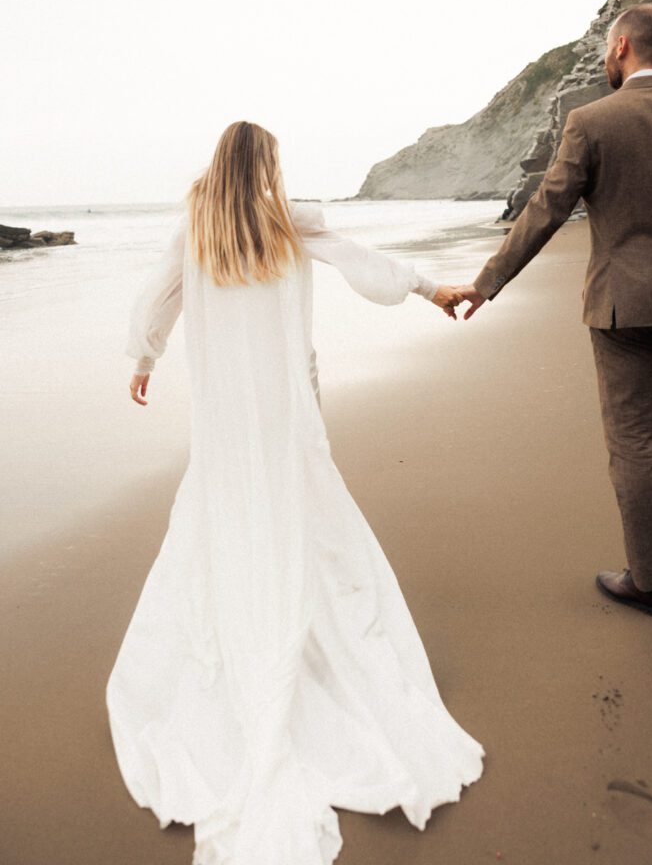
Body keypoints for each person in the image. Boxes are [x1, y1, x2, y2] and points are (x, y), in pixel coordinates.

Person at [107, 121, 483, 865]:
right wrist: (431, 288)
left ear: (217, 165)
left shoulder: (197, 228)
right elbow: (365, 267)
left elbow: (159, 296)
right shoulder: (290, 221)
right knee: (309, 526)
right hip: (287, 417)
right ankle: (314, 646)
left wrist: (143, 357)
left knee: (225, 527)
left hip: (224, 425)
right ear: (268, 166)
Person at [454, 4, 652, 618]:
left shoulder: (591, 121)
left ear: (620, 48)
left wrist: (487, 284)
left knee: (634, 435)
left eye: (604, 50)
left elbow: (545, 210)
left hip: (624, 306)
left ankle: (650, 580)